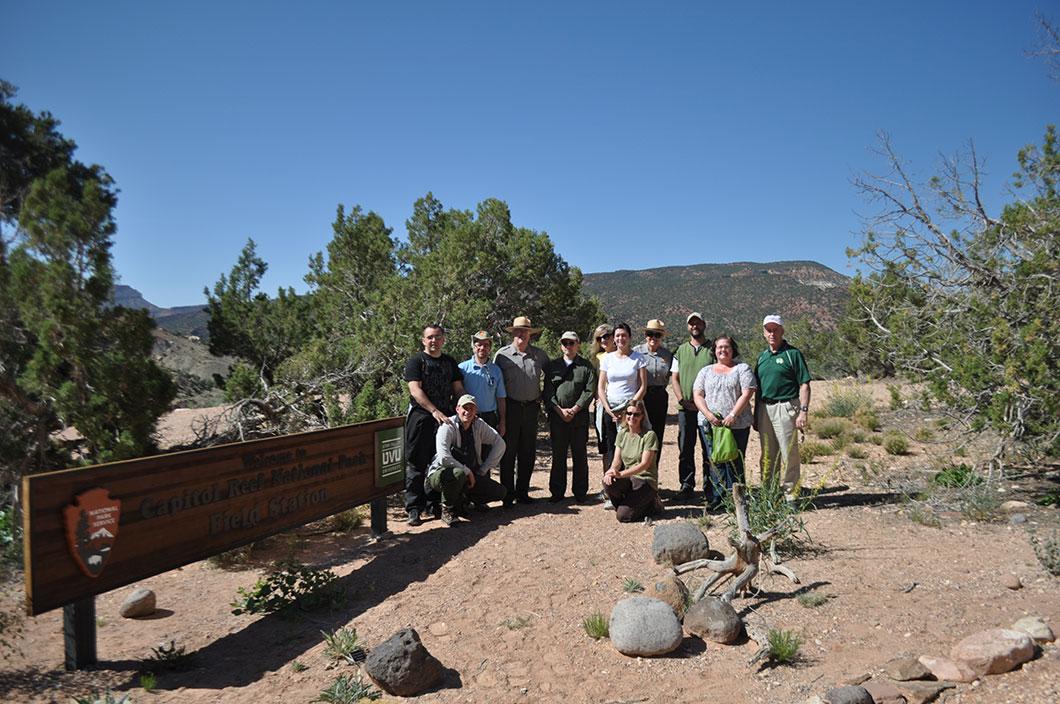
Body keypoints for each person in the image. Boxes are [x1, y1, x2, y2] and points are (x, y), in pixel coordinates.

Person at [403, 324, 465, 526]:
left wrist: (464, 407)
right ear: (423, 340)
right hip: (422, 418)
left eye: (437, 337)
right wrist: (433, 410)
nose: (433, 341)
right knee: (417, 463)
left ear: (443, 339)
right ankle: (414, 508)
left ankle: (434, 504)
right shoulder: (416, 361)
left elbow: (458, 388)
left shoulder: (449, 362)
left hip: (445, 419)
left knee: (439, 461)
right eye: (429, 337)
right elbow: (415, 390)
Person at [425, 394, 509, 525]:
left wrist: (483, 470)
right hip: (441, 474)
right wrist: (467, 471)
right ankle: (447, 510)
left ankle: (464, 500)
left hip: (468, 476)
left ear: (476, 411)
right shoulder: (447, 426)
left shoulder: (478, 425)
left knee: (500, 492)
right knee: (458, 474)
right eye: (465, 408)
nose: (467, 412)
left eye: (471, 408)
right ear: (457, 409)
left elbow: (500, 443)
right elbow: (443, 458)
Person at [754, 315, 812, 502]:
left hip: (787, 407)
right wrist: (756, 415)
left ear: (782, 331)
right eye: (768, 330)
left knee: (789, 452)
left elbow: (804, 384)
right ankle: (769, 493)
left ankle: (790, 495)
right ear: (764, 333)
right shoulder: (762, 357)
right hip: (765, 409)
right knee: (768, 454)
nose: (772, 333)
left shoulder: (792, 354)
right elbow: (758, 388)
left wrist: (803, 410)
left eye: (775, 329)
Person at [692, 334, 756, 502]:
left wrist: (733, 414)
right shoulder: (705, 371)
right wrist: (709, 415)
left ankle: (738, 499)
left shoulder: (742, 369)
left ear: (732, 349)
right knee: (715, 461)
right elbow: (697, 395)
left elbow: (747, 392)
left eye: (726, 347)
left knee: (735, 461)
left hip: (737, 424)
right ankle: (717, 499)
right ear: (714, 350)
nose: (723, 350)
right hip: (710, 425)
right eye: (719, 347)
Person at [494, 315, 549, 505]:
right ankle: (507, 494)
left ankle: (522, 492)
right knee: (508, 452)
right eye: (518, 331)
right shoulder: (501, 355)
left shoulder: (540, 355)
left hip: (532, 408)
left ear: (530, 334)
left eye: (525, 331)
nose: (521, 335)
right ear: (513, 333)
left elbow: (551, 378)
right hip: (510, 408)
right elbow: (496, 383)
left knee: (527, 451)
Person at [543, 331, 597, 503]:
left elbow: (589, 391)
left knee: (579, 455)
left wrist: (574, 409)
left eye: (572, 343)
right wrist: (559, 410)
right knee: (558, 455)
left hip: (579, 419)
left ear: (578, 344)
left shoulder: (586, 367)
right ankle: (557, 492)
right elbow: (548, 391)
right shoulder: (553, 367)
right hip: (558, 419)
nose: (568, 346)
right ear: (561, 345)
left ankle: (580, 493)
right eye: (565, 342)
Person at [669, 312, 714, 502]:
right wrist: (681, 400)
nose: (694, 326)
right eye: (691, 324)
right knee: (685, 448)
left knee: (708, 448)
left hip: (707, 408)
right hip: (685, 408)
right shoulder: (680, 350)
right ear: (688, 327)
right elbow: (675, 378)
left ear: (704, 324)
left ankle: (710, 487)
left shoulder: (712, 349)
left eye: (698, 323)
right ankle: (686, 486)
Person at [602, 399, 663, 523]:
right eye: (629, 413)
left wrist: (621, 474)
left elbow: (644, 465)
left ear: (642, 416)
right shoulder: (622, 433)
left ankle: (651, 503)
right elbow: (617, 460)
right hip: (629, 478)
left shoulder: (649, 436)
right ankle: (632, 504)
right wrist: (612, 470)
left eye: (636, 414)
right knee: (608, 482)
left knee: (623, 517)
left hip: (645, 480)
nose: (632, 417)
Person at [597, 323, 647, 472]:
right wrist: (609, 410)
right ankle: (612, 486)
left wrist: (628, 409)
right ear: (613, 338)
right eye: (617, 335)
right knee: (611, 447)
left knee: (629, 447)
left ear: (630, 338)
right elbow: (601, 387)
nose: (621, 338)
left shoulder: (638, 358)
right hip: (610, 408)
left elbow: (643, 387)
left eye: (624, 335)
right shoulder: (607, 359)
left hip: (631, 410)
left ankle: (630, 486)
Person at [632, 319, 673, 460]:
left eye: (657, 335)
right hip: (641, 397)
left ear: (662, 337)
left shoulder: (667, 355)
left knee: (656, 434)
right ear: (645, 335)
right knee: (639, 431)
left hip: (660, 397)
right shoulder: (636, 352)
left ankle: (653, 468)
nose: (653, 338)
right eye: (650, 334)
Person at [458, 331, 506, 433]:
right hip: (468, 416)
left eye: (486, 345)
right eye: (479, 344)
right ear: (473, 347)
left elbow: (500, 398)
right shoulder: (462, 368)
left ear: (490, 348)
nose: (482, 348)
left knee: (489, 448)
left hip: (489, 418)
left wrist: (502, 421)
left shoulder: (496, 370)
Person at [589, 324, 616, 467]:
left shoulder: (622, 355)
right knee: (605, 446)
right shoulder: (596, 359)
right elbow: (593, 383)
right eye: (599, 338)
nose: (603, 340)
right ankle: (608, 485)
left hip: (620, 404)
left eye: (606, 336)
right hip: (601, 406)